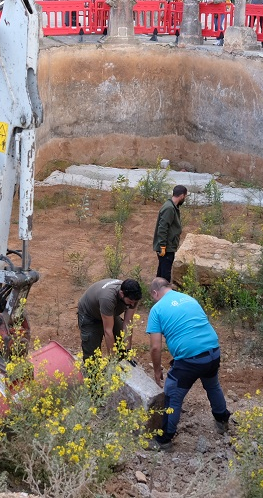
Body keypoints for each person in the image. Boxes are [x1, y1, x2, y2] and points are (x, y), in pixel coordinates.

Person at [146, 277, 231, 451]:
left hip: (189, 358)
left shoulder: (157, 309)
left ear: (155, 293)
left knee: (172, 394)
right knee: (212, 385)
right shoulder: (189, 298)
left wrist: (157, 371)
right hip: (213, 351)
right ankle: (222, 420)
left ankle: (164, 440)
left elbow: (155, 347)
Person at [76, 278, 142, 358]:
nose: (132, 305)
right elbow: (108, 331)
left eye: (135, 302)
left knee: (120, 340)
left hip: (108, 312)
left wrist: (127, 351)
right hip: (89, 315)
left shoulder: (133, 296)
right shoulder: (108, 298)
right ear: (122, 294)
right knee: (92, 354)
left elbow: (128, 322)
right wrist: (112, 358)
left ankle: (120, 362)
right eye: (130, 301)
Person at [153, 185, 187, 280]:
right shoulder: (169, 208)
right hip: (167, 247)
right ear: (181, 196)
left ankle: (157, 290)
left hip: (168, 245)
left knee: (161, 271)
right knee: (165, 275)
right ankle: (164, 292)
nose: (184, 199)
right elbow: (162, 228)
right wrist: (163, 246)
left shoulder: (172, 206)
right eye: (185, 196)